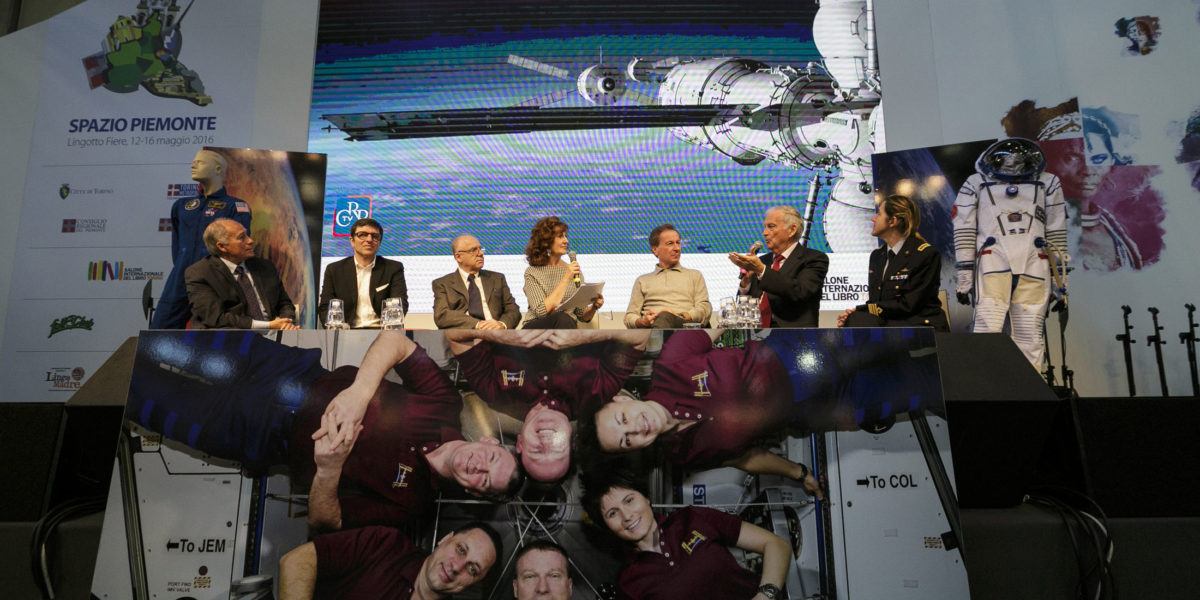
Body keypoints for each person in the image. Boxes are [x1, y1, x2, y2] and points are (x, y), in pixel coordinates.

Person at [126, 329, 522, 531]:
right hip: (281, 369)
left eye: (485, 481)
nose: (478, 467)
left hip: (251, 434)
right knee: (151, 342)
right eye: (491, 458)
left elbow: (326, 522)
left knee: (133, 392)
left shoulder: (410, 506)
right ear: (489, 441)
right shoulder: (446, 405)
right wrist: (359, 395)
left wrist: (329, 470)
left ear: (474, 492)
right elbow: (394, 341)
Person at [445, 329, 649, 482]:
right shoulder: (598, 392)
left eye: (536, 452)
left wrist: (504, 335)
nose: (546, 442)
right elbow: (641, 334)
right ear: (572, 442)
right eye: (556, 450)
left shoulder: (494, 393)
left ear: (520, 444)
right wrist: (585, 335)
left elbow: (454, 333)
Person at [580, 469, 792, 600]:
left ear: (646, 497)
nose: (627, 516)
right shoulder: (628, 583)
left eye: (629, 500)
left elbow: (775, 544)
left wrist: (766, 595)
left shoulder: (693, 518)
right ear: (607, 526)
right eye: (612, 513)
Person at [953, 138, 1068, 368]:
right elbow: (964, 228)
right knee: (988, 329)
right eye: (1007, 161)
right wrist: (965, 277)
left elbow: (1056, 232)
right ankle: (987, 393)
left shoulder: (1048, 182)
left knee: (1030, 335)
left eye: (1018, 162)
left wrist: (1061, 283)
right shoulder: (976, 183)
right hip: (993, 260)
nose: (1013, 166)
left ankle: (1030, 394)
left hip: (1035, 261)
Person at [151, 149, 252, 329]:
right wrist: (183, 266)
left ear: (219, 169)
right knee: (160, 332)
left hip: (215, 280)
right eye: (193, 161)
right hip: (181, 277)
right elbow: (177, 244)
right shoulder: (182, 205)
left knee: (215, 337)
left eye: (201, 162)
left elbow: (239, 247)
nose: (193, 165)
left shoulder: (235, 206)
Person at [278, 521, 502, 600]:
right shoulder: (385, 545)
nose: (456, 566)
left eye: (472, 570)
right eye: (461, 549)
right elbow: (297, 561)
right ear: (445, 539)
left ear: (474, 584)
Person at [838, 195, 948, 330]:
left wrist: (862, 310)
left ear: (892, 221)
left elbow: (909, 305)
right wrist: (859, 314)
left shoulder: (925, 255)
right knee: (854, 322)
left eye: (879, 214)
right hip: (891, 327)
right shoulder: (877, 256)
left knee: (857, 322)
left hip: (919, 328)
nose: (873, 218)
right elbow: (877, 302)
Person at [185, 218, 298, 329]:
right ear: (222, 246)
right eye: (241, 237)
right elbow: (216, 318)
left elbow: (285, 304)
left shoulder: (265, 267)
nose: (250, 241)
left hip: (274, 333)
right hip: (229, 338)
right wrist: (267, 325)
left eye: (247, 235)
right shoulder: (200, 273)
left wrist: (285, 322)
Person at [728, 206, 828, 327]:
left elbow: (799, 292)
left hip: (795, 337)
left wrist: (761, 270)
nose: (764, 233)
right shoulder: (762, 261)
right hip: (756, 336)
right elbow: (746, 309)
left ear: (792, 230)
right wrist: (746, 283)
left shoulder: (814, 259)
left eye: (771, 227)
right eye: (765, 227)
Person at [317, 218, 408, 327]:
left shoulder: (393, 268)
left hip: (382, 332)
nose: (369, 239)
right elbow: (325, 308)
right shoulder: (335, 269)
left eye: (375, 236)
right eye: (362, 235)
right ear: (352, 241)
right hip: (346, 333)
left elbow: (400, 305)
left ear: (379, 242)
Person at [520, 217, 603, 329]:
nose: (566, 241)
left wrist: (594, 307)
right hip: (536, 329)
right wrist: (566, 278)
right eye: (560, 236)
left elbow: (581, 315)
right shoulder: (532, 272)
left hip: (566, 327)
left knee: (566, 320)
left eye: (565, 236)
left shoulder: (573, 270)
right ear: (546, 242)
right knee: (563, 318)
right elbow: (541, 312)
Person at [624, 224, 711, 329]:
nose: (677, 248)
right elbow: (629, 317)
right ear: (655, 250)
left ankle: (658, 344)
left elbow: (704, 309)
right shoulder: (642, 280)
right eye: (670, 244)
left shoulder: (694, 275)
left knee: (664, 317)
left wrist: (680, 316)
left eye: (678, 243)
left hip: (683, 328)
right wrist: (642, 321)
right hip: (651, 328)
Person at [432, 234, 521, 330]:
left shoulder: (497, 279)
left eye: (480, 249)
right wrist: (478, 324)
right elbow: (442, 315)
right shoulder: (443, 284)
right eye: (473, 250)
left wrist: (501, 324)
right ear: (458, 257)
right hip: (465, 335)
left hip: (496, 334)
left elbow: (513, 310)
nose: (480, 254)